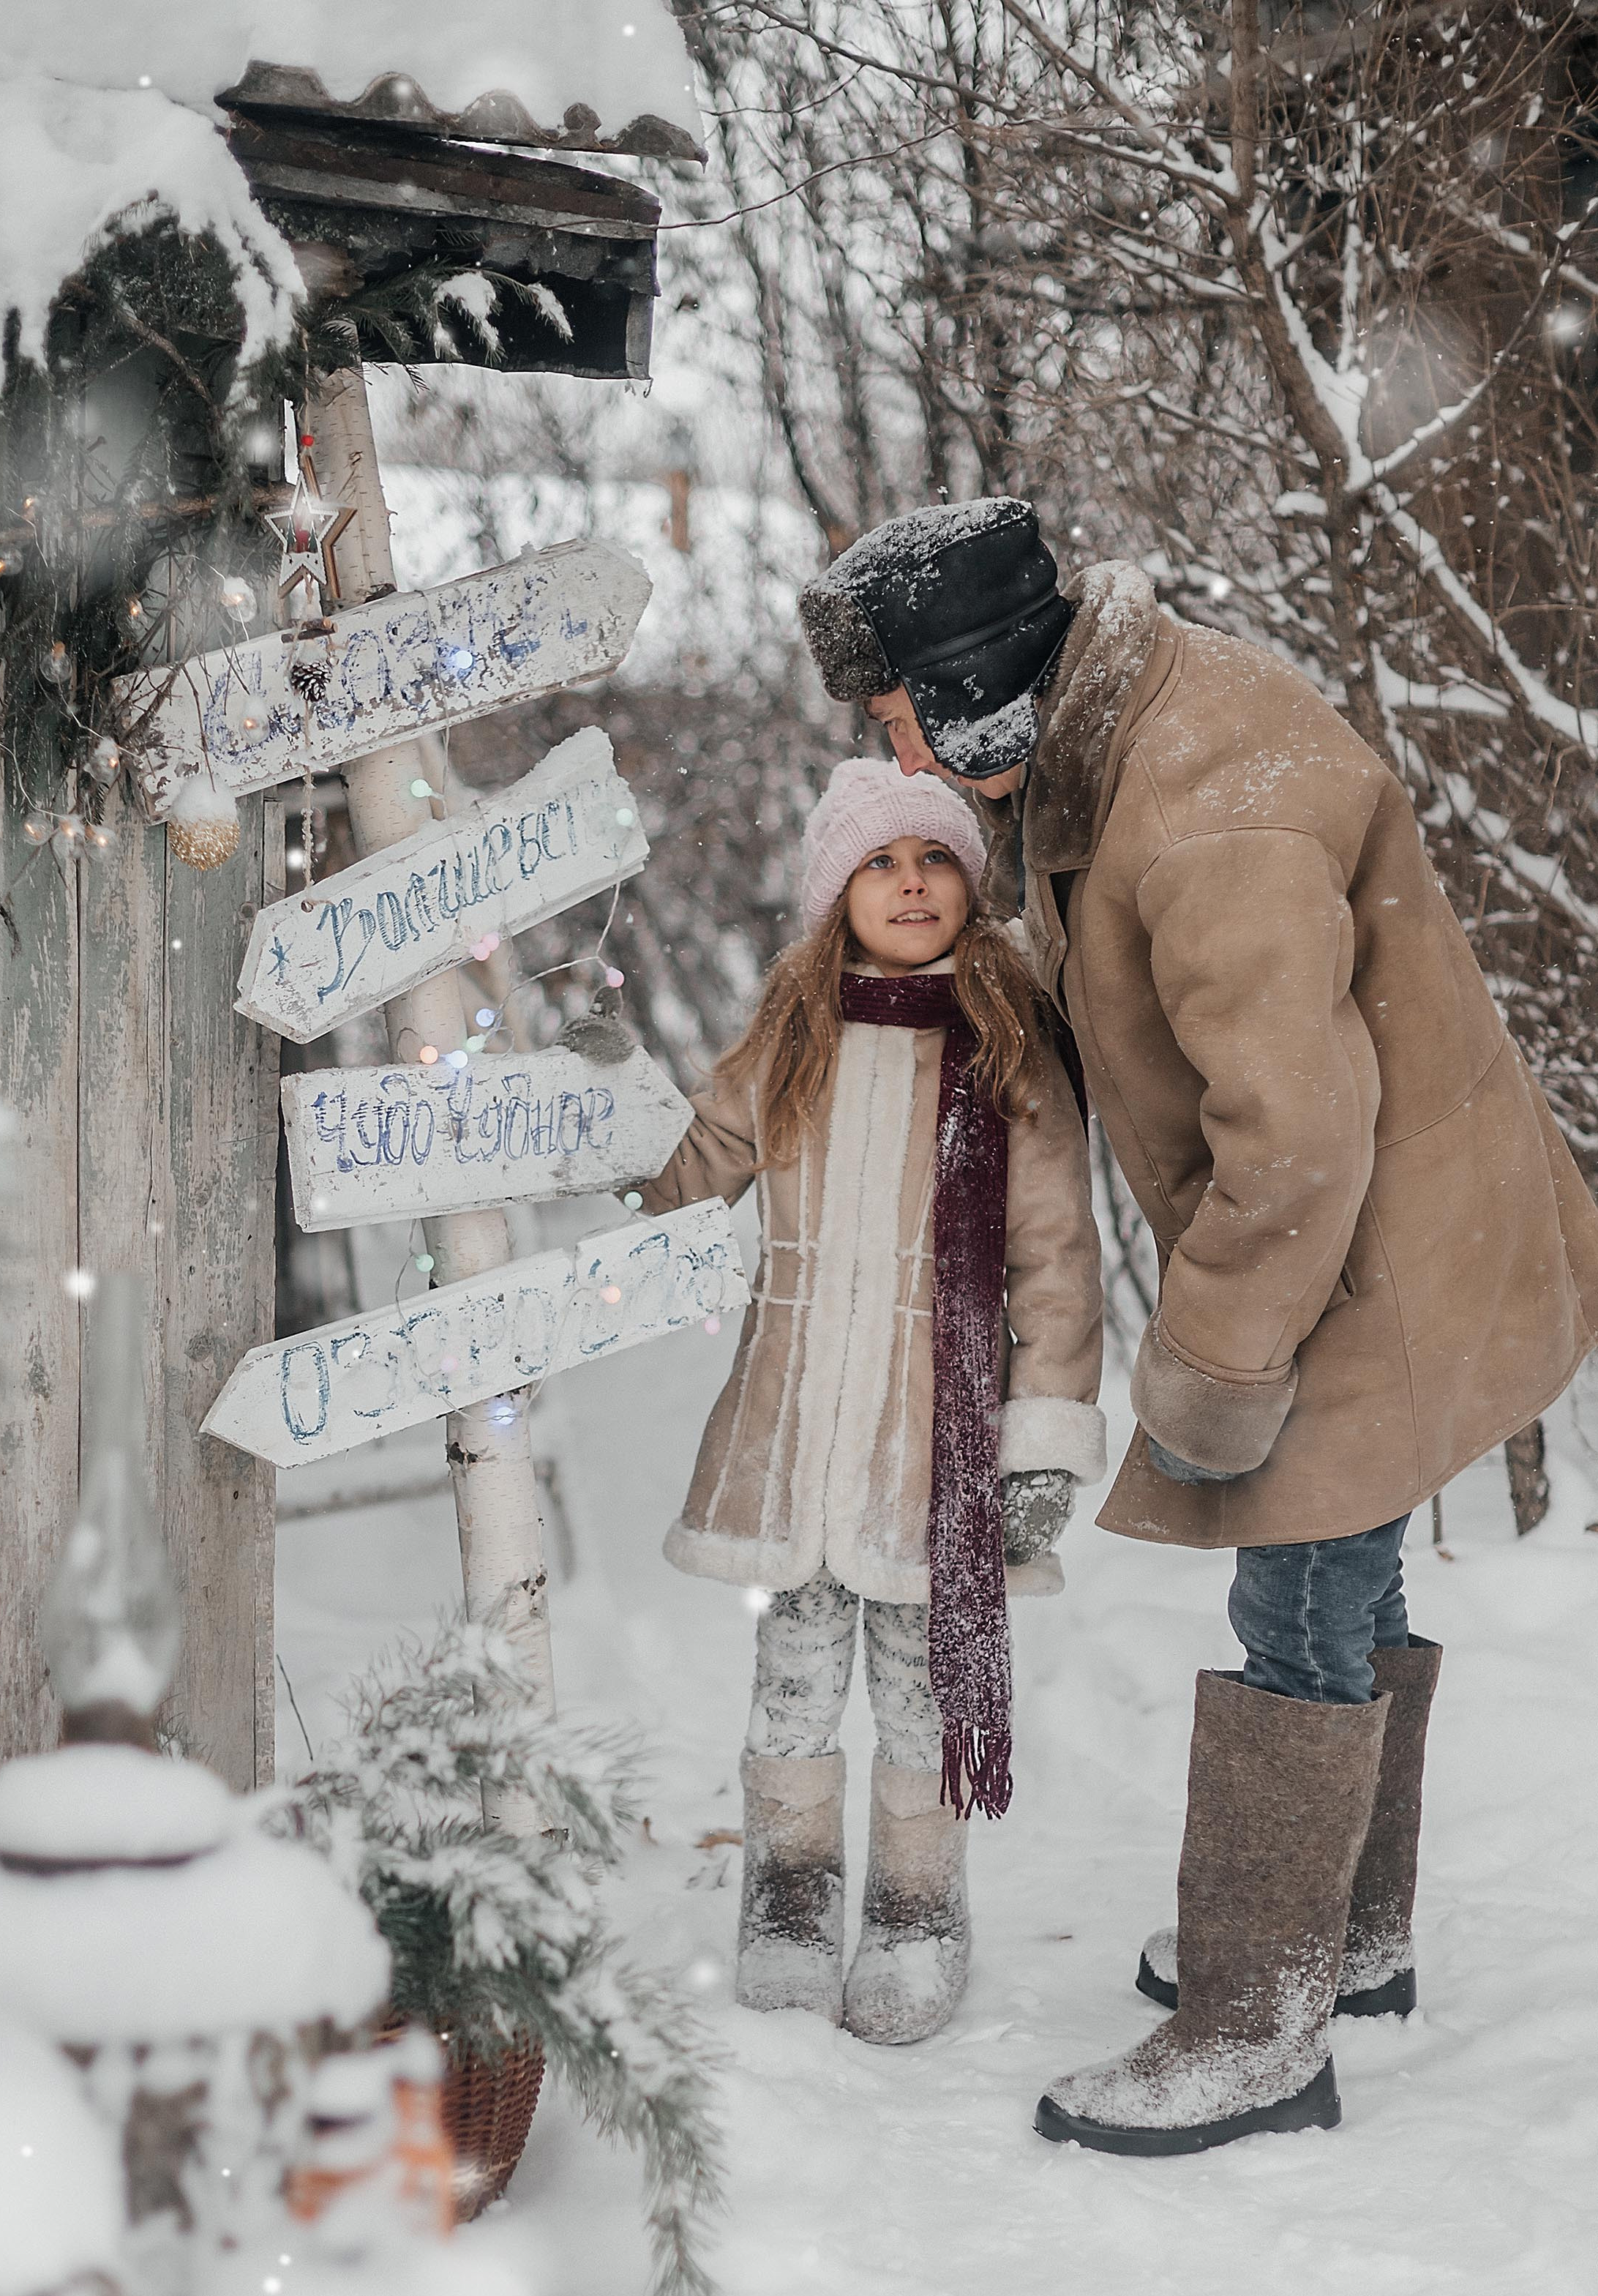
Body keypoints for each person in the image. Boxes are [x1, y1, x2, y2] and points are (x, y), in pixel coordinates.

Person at [798, 498, 1598, 2150]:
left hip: (1354, 1240)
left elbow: (1293, 1139)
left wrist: (1215, 1368)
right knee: (1344, 1559)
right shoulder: (1130, 728)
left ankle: (1253, 2020)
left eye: (900, 721)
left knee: (1294, 1579)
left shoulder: (1192, 806)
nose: (901, 755)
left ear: (975, 691)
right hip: (1371, 1219)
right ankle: (1342, 1935)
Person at [628, 760, 1106, 2046]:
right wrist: (602, 1108)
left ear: (970, 886)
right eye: (881, 861)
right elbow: (687, 1173)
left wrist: (1042, 1438)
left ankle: (914, 1908)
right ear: (836, 890)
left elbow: (1057, 1260)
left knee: (918, 1694)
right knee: (790, 1677)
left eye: (936, 858)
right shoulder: (793, 1036)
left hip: (929, 1444)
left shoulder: (1008, 1052)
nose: (910, 881)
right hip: (796, 1423)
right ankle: (787, 1901)